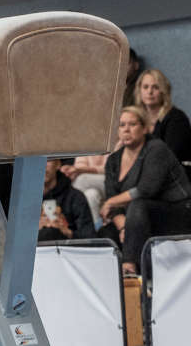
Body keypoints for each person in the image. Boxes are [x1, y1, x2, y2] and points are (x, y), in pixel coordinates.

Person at [99, 106, 191, 275]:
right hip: (136, 218)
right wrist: (124, 228)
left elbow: (145, 190)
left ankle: (129, 268)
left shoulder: (157, 149)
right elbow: (113, 203)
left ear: (144, 128)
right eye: (122, 125)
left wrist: (110, 202)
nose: (126, 129)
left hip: (177, 214)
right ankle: (108, 281)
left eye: (132, 124)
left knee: (138, 205)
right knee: (105, 233)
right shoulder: (113, 160)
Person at [136, 69, 191, 177]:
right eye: (145, 87)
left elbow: (169, 156)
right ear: (139, 90)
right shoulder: (135, 118)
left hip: (174, 177)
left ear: (163, 91)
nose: (149, 92)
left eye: (155, 87)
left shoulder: (176, 118)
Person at [37, 159, 95, 242]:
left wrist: (66, 231)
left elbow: (90, 238)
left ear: (58, 164)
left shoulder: (75, 197)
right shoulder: (22, 199)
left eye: (48, 160)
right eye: (37, 161)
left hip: (68, 250)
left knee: (50, 232)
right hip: (33, 251)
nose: (42, 165)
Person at [61, 153, 110, 223]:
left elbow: (110, 169)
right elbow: (79, 166)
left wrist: (81, 170)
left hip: (113, 182)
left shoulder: (115, 143)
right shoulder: (86, 146)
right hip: (91, 184)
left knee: (81, 179)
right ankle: (97, 229)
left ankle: (67, 213)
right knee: (91, 195)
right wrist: (72, 171)